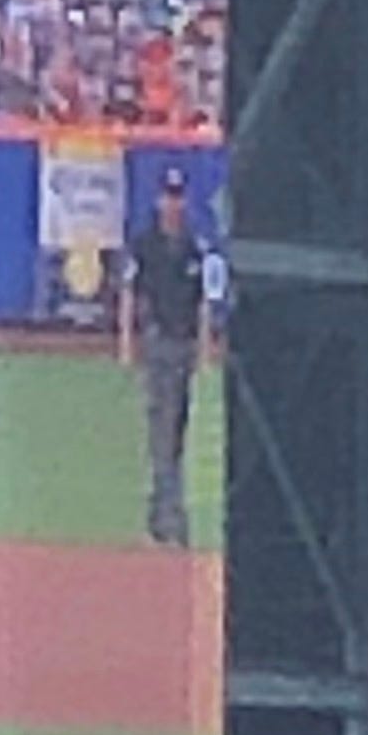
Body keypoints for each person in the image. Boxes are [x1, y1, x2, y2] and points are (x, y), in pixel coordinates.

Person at [121, 162, 214, 548]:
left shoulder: (194, 246)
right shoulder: (145, 244)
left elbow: (205, 302)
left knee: (175, 432)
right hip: (158, 343)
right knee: (162, 430)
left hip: (184, 345)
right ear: (159, 200)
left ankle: (160, 520)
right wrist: (127, 341)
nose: (172, 204)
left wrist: (205, 347)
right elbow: (131, 292)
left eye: (178, 197)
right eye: (168, 197)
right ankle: (170, 521)